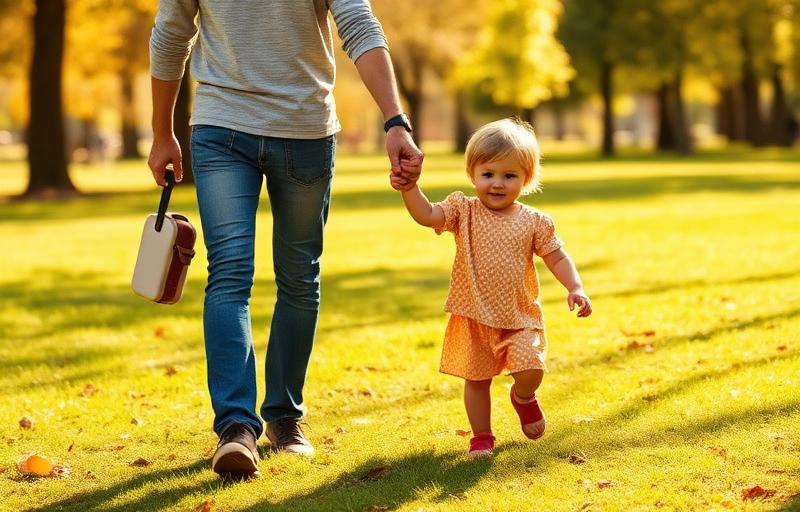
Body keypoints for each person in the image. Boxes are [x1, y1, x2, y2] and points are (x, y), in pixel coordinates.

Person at [148, 1, 422, 478]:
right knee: (250, 275)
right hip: (240, 128)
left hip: (291, 133)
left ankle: (273, 419)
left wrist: (161, 132)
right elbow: (171, 34)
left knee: (280, 276)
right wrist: (395, 119)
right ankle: (243, 426)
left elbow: (170, 35)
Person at [392, 118, 591, 456]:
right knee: (477, 380)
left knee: (531, 367)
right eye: (488, 174)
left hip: (519, 315)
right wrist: (409, 188)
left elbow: (557, 256)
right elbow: (427, 214)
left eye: (509, 176)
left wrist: (575, 286)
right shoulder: (463, 211)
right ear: (472, 175)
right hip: (475, 316)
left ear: (526, 178)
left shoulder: (534, 221)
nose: (497, 183)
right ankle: (482, 436)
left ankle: (523, 397)